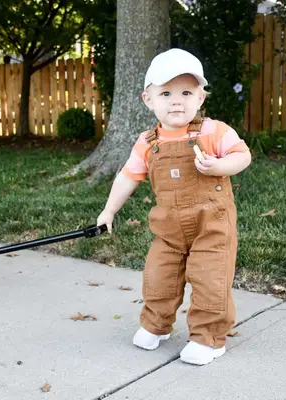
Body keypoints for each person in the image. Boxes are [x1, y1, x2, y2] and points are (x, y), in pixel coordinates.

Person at [96, 48, 252, 366]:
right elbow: (128, 175)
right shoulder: (147, 142)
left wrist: (221, 166)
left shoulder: (213, 131)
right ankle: (156, 324)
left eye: (185, 92)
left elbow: (243, 155)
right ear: (148, 99)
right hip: (168, 227)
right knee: (159, 276)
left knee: (210, 278)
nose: (176, 100)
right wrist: (109, 210)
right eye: (166, 92)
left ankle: (208, 338)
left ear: (200, 98)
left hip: (213, 225)